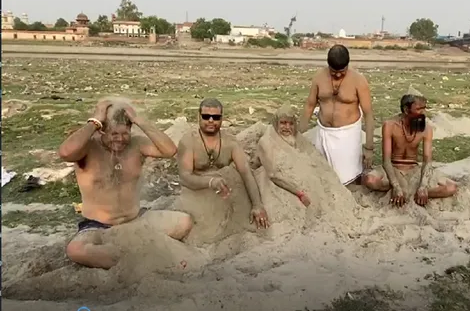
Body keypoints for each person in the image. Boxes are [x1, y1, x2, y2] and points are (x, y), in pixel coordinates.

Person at [59, 98, 192, 269]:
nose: (120, 139)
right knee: (76, 250)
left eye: (125, 133)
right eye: (114, 134)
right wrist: (95, 119)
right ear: (102, 131)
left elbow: (169, 150)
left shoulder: (136, 144)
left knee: (184, 222)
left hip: (135, 221)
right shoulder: (88, 147)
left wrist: (139, 120)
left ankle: (132, 253)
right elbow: (65, 152)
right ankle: (133, 261)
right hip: (99, 228)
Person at [177, 98, 270, 229]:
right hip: (195, 200)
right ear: (199, 116)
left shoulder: (230, 142)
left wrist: (257, 205)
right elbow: (185, 177)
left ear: (221, 118)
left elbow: (246, 173)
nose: (210, 120)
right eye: (206, 116)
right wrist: (210, 182)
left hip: (226, 203)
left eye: (215, 117)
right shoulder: (188, 141)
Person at [362, 93, 457, 206]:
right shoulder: (390, 125)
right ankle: (406, 190)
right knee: (370, 180)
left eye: (424, 109)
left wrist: (423, 186)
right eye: (418, 109)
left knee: (451, 187)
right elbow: (386, 160)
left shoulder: (426, 128)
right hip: (393, 167)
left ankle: (412, 192)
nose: (423, 113)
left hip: (414, 170)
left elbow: (427, 160)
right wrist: (396, 185)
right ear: (406, 110)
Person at [298, 44, 375, 185]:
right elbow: (309, 106)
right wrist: (298, 135)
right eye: (334, 72)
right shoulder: (319, 78)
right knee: (322, 177)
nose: (338, 75)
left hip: (348, 135)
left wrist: (369, 147)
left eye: (342, 71)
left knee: (348, 179)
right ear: (328, 65)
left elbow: (369, 114)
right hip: (324, 133)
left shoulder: (359, 80)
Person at [258, 104, 319, 208]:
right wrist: (299, 194)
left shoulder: (295, 139)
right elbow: (273, 175)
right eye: (283, 123)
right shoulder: (266, 142)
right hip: (275, 192)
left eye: (291, 124)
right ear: (276, 123)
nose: (287, 127)